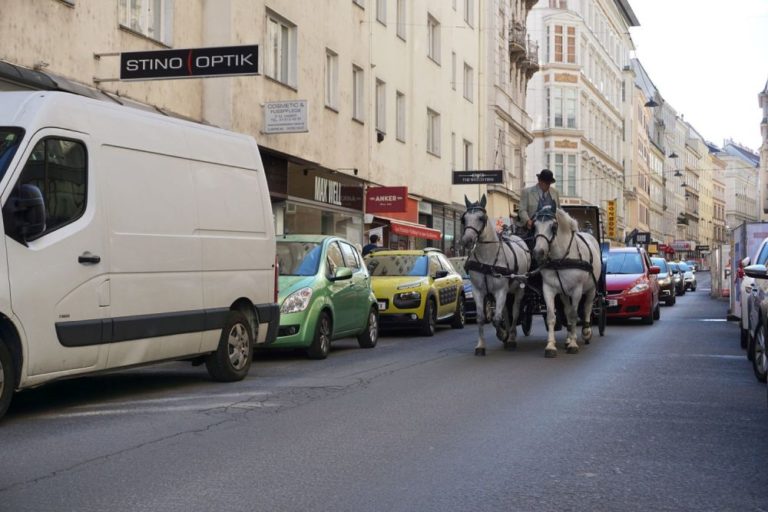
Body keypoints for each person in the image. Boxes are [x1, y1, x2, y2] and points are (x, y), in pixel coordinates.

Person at [518, 168, 561, 233]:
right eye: (545, 183)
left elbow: (558, 211)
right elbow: (522, 210)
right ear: (539, 181)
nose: (547, 185)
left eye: (549, 183)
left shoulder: (555, 192)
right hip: (531, 229)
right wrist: (527, 221)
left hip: (550, 231)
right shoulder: (527, 192)